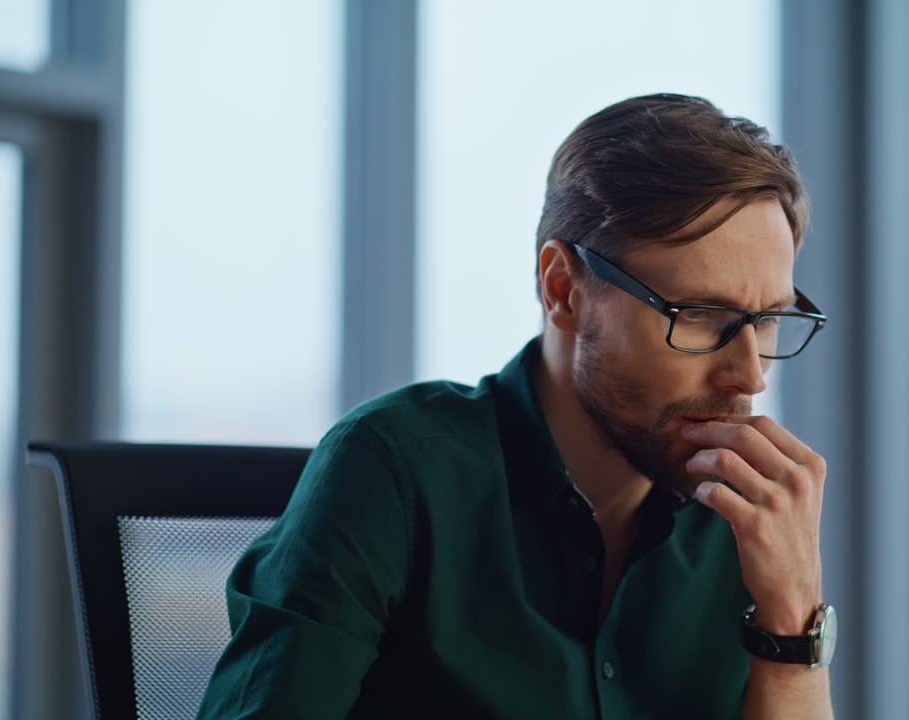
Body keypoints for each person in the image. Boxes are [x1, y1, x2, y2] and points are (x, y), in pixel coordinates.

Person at [196, 93, 836, 719]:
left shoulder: (743, 516)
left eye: (768, 320)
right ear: (563, 290)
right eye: (699, 315)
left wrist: (791, 622)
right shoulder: (394, 469)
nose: (748, 374)